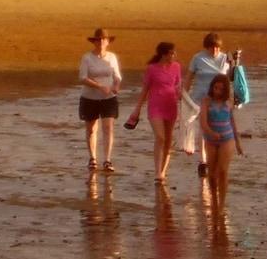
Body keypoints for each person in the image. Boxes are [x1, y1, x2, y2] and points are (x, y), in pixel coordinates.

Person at [125, 40, 183, 184]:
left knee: (169, 139)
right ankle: (157, 171)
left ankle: (163, 171)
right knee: (160, 137)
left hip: (171, 104)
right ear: (164, 54)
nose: (174, 55)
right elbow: (145, 90)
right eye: (171, 53)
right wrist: (137, 110)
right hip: (155, 105)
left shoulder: (176, 67)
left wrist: (183, 100)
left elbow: (178, 86)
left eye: (174, 53)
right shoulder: (152, 69)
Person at [181, 33, 237, 177]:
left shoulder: (225, 58)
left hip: (218, 99)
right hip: (200, 98)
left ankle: (215, 157)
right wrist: (184, 96)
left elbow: (230, 78)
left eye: (217, 48)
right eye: (212, 48)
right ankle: (203, 161)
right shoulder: (198, 58)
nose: (215, 51)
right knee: (203, 127)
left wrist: (235, 62)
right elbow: (188, 78)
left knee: (216, 127)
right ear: (206, 47)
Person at [77, 27, 122, 174]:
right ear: (94, 41)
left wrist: (116, 85)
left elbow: (117, 75)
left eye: (104, 39)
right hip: (90, 97)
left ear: (108, 42)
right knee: (91, 129)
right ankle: (92, 158)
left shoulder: (112, 57)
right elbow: (82, 78)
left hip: (109, 98)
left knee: (108, 127)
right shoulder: (87, 58)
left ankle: (107, 160)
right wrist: (99, 86)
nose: (101, 42)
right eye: (98, 39)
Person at [199, 73, 243, 206]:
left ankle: (222, 203)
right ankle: (214, 200)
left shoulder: (228, 101)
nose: (217, 91)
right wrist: (211, 132)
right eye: (215, 88)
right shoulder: (206, 101)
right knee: (211, 174)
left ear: (225, 90)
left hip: (227, 138)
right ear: (212, 87)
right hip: (211, 139)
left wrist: (238, 143)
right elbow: (203, 122)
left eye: (221, 89)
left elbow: (232, 122)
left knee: (223, 170)